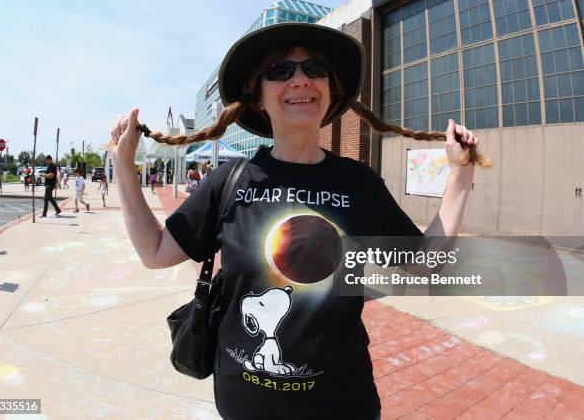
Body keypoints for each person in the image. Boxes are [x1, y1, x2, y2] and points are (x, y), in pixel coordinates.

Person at [110, 23, 490, 420]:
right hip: (246, 406)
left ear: (330, 89)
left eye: (315, 68)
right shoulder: (231, 180)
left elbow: (426, 265)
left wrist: (460, 176)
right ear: (258, 97)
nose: (301, 79)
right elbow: (155, 252)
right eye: (280, 70)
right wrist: (123, 165)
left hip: (344, 406)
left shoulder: (359, 184)